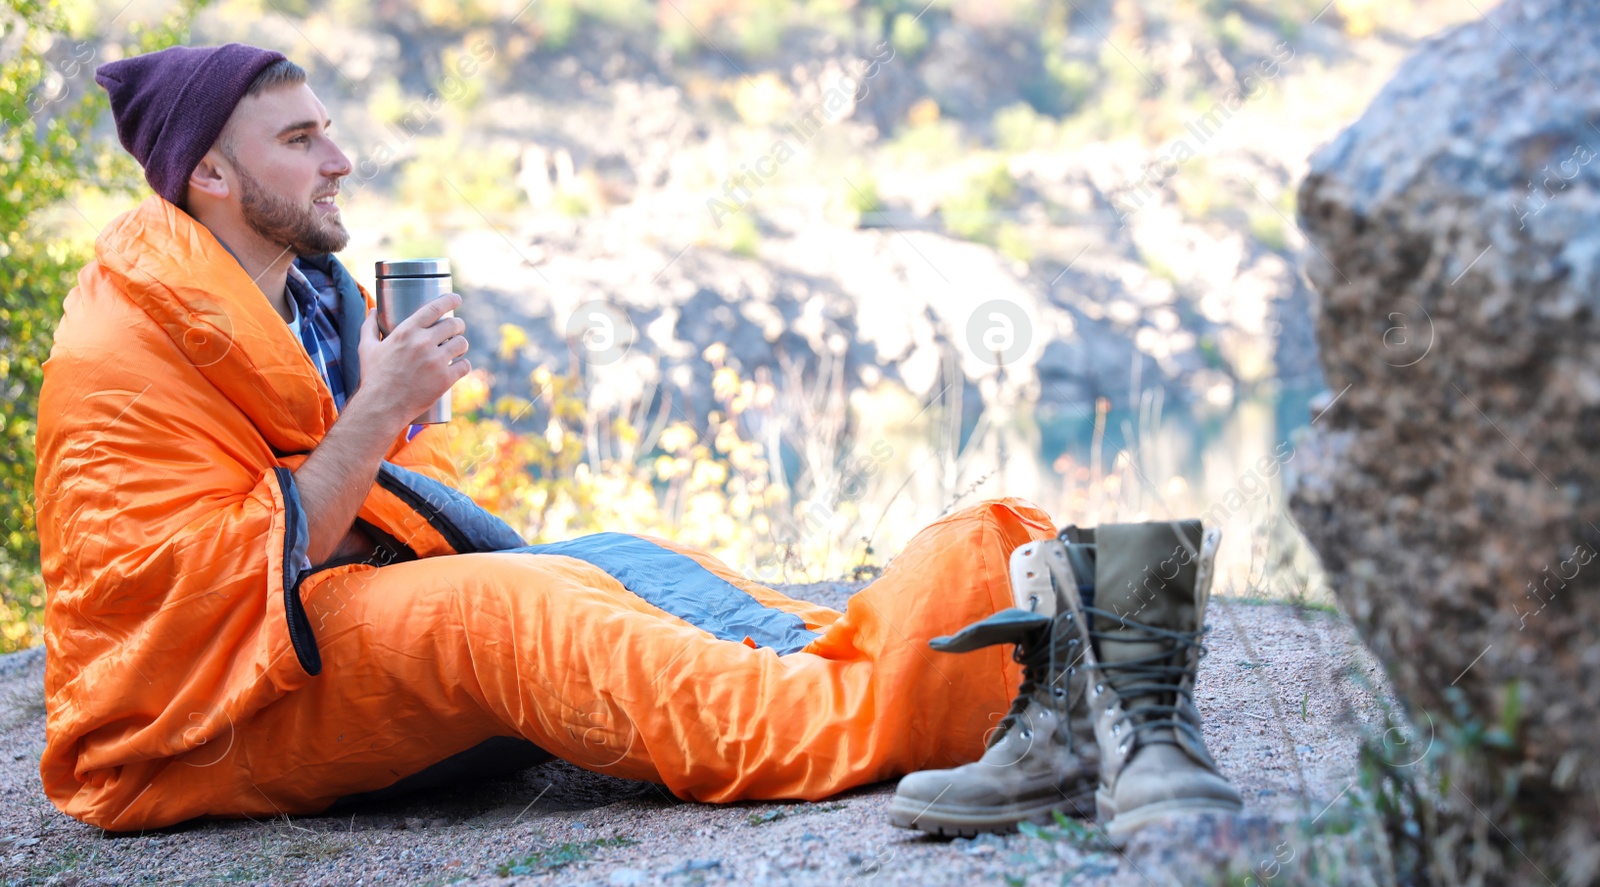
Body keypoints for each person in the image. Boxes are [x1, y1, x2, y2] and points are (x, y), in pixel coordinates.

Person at [35, 43, 1240, 838]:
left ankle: (1043, 622)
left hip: (307, 624)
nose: (339, 158)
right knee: (507, 611)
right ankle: (986, 698)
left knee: (612, 563)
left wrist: (409, 429)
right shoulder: (127, 348)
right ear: (206, 174)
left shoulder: (303, 294)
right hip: (186, 726)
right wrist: (373, 420)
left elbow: (379, 508)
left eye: (328, 129)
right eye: (298, 140)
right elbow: (184, 602)